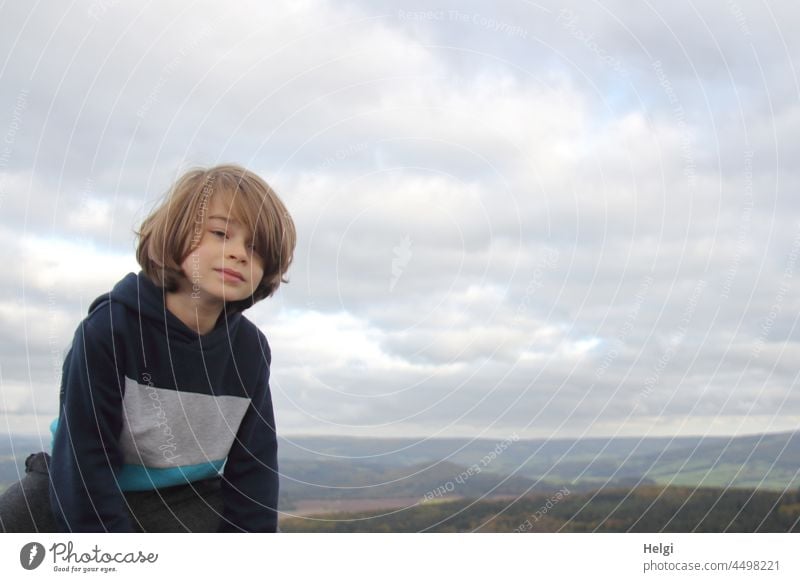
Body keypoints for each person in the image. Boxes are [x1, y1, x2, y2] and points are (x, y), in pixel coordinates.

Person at [0, 164, 295, 532]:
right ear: (175, 234)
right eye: (221, 233)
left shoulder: (250, 351)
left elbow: (254, 470)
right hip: (83, 488)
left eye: (256, 249)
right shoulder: (110, 331)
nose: (239, 254)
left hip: (182, 496)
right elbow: (85, 463)